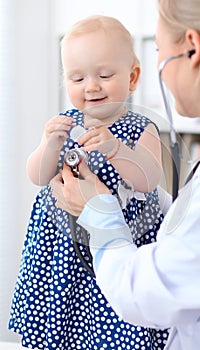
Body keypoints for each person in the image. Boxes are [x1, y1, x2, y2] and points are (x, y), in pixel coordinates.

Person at [50, 1, 200, 350]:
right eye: (77, 77)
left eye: (161, 50)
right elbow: (193, 236)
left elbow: (141, 294)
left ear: (192, 49)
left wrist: (98, 208)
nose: (92, 87)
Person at [9, 15, 169, 350]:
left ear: (133, 77)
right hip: (60, 247)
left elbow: (148, 179)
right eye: (77, 77)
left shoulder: (141, 127)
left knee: (116, 320)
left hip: (120, 242)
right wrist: (49, 144)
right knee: (63, 323)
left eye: (104, 75)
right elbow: (37, 176)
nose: (91, 86)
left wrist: (117, 149)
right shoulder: (63, 124)